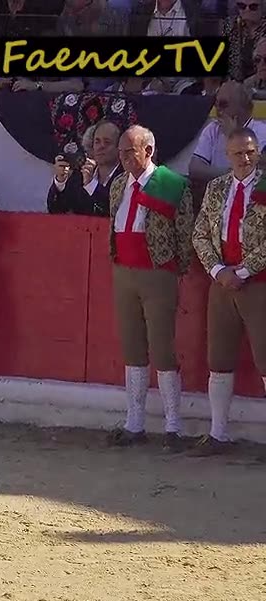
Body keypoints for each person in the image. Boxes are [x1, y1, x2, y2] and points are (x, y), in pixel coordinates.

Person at [106, 125, 195, 450]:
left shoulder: (171, 185)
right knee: (132, 347)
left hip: (159, 272)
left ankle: (173, 424)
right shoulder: (118, 185)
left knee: (162, 347)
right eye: (122, 152)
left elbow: (185, 231)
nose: (126, 158)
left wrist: (175, 270)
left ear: (149, 151)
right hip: (124, 271)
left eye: (131, 151)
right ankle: (135, 422)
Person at [190, 127, 266, 455]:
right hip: (222, 283)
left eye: (250, 152)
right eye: (238, 153)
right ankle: (218, 433)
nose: (245, 158)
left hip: (259, 283)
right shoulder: (217, 187)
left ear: (258, 152)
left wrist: (245, 270)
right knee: (218, 358)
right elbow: (200, 234)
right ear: (227, 155)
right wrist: (219, 271)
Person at [190, 82, 266, 184]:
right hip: (216, 192)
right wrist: (229, 175)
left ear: (242, 106)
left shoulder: (262, 131)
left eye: (223, 104)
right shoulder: (213, 129)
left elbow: (251, 172)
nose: (218, 110)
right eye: (216, 104)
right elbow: (195, 168)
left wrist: (233, 136)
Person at [48, 120, 122, 217]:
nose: (101, 146)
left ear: (119, 147)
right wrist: (60, 182)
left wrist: (91, 184)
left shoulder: (126, 177)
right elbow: (55, 210)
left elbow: (113, 210)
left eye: (107, 142)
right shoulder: (80, 175)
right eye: (97, 142)